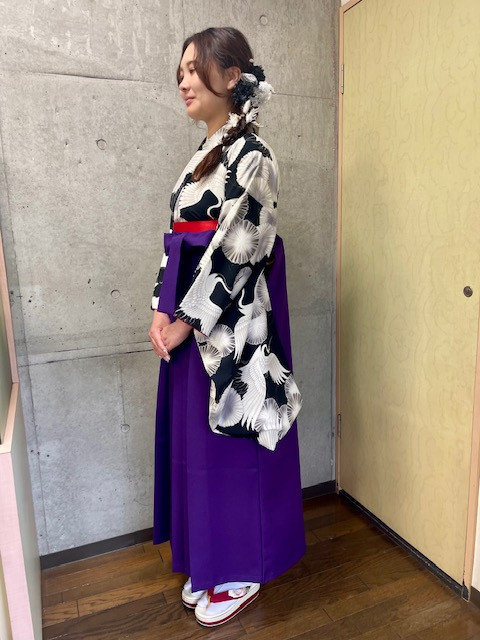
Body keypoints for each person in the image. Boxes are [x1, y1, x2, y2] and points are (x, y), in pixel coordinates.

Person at [148, 26, 306, 627]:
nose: (184, 81)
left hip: (231, 322)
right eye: (181, 72)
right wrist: (160, 308)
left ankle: (242, 568)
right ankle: (209, 558)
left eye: (194, 69)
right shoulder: (203, 155)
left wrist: (186, 318)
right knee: (200, 447)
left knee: (233, 442)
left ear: (231, 76)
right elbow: (176, 243)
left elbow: (241, 248)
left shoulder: (253, 155)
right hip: (190, 320)